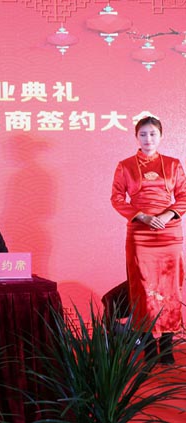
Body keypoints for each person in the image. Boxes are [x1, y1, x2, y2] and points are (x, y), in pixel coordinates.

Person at [111, 115, 186, 365]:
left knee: (170, 288)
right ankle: (149, 346)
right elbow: (117, 198)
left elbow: (183, 195)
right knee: (142, 290)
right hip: (140, 234)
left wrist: (165, 216)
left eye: (153, 134)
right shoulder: (125, 166)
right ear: (136, 137)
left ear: (161, 136)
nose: (148, 139)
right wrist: (142, 216)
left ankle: (167, 346)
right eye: (143, 134)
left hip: (169, 232)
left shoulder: (173, 164)